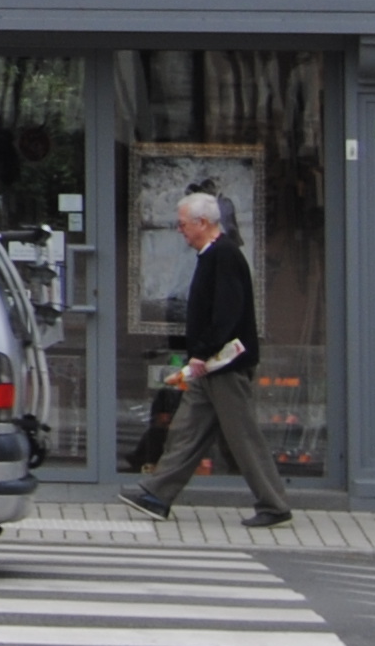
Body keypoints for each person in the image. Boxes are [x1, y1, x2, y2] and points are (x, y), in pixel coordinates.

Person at [122, 191, 295, 528]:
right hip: (211, 364)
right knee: (186, 429)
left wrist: (202, 353)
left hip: (224, 365)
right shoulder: (212, 255)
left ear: (202, 223)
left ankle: (274, 505)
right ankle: (157, 495)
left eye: (183, 224)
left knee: (243, 437)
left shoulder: (223, 255)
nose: (179, 230)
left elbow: (227, 312)